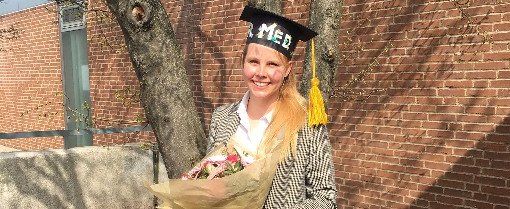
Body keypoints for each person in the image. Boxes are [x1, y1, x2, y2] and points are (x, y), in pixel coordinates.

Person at [207, 5, 337, 208]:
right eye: (253, 61)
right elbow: (209, 180)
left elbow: (325, 198)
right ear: (243, 62)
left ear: (287, 69)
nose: (261, 73)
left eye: (272, 64)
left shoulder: (306, 123)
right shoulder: (221, 118)